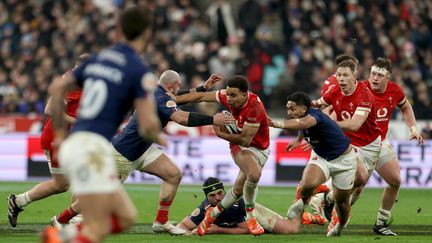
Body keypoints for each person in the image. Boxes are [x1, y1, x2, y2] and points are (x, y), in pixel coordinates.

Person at [42, 6, 164, 243]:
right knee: (99, 225)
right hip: (91, 148)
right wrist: (158, 135)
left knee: (126, 216)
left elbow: (56, 88)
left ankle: (59, 236)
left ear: (120, 30)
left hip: (77, 144)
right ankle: (55, 237)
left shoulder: (100, 58)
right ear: (147, 33)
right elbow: (148, 125)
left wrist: (58, 132)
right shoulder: (138, 69)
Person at [112, 70, 234, 235]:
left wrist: (203, 87)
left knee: (173, 174)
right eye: (178, 86)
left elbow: (180, 97)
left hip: (142, 150)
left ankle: (161, 221)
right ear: (172, 85)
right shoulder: (162, 97)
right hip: (124, 154)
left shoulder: (158, 92)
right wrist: (212, 119)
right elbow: (181, 118)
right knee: (101, 195)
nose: (180, 89)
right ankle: (66, 218)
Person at [175, 75, 270, 236]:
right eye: (228, 94)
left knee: (238, 191)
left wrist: (220, 134)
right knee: (254, 173)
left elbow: (246, 140)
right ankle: (251, 217)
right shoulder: (226, 96)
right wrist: (173, 101)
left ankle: (210, 216)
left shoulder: (254, 107)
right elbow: (200, 96)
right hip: (239, 147)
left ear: (244, 94)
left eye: (233, 95)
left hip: (257, 148)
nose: (229, 98)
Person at [7, 53, 90, 228]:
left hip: (69, 139)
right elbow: (50, 109)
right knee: (61, 185)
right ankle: (19, 201)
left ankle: (74, 218)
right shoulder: (70, 83)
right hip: (55, 138)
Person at [269, 92, 357, 237]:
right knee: (307, 184)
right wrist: (298, 140)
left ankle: (340, 225)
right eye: (288, 109)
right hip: (321, 156)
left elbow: (304, 124)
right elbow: (303, 128)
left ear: (304, 109)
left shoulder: (314, 116)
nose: (289, 112)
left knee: (341, 202)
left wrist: (276, 123)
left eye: (292, 109)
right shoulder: (302, 117)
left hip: (344, 160)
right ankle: (302, 202)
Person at [312, 60, 382, 233]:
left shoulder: (364, 94)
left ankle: (327, 199)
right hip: (349, 142)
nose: (341, 79)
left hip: (370, 144)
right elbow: (318, 104)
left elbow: (355, 125)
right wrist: (304, 109)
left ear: (355, 76)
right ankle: (333, 214)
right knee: (360, 177)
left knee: (359, 185)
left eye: (345, 75)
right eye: (339, 75)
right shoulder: (334, 90)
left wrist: (327, 124)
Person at [364, 57, 424, 235]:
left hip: (380, 143)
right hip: (358, 144)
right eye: (373, 73)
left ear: (387, 77)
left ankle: (381, 223)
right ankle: (331, 207)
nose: (374, 78)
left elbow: (406, 108)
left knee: (395, 180)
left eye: (379, 75)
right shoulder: (360, 89)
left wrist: (413, 129)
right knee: (356, 186)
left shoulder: (394, 90)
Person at [177, 177, 301, 235]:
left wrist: (218, 230)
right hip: (241, 220)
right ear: (206, 197)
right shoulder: (204, 208)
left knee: (291, 229)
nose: (218, 198)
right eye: (212, 195)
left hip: (253, 212)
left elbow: (246, 229)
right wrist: (189, 234)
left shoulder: (234, 206)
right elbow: (182, 226)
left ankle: (301, 198)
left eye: (220, 193)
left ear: (224, 192)